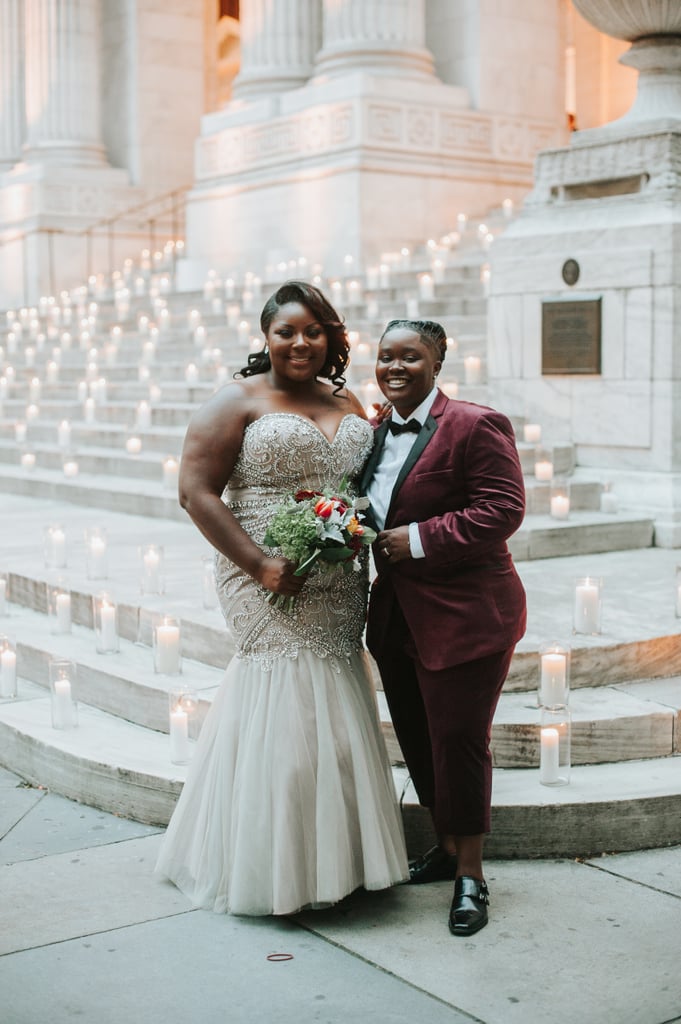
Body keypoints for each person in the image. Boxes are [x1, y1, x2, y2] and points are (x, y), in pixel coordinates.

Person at [155, 281, 408, 915]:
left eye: (313, 331)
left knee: (335, 701)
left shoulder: (345, 397)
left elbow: (361, 482)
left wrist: (353, 534)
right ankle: (276, 870)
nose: (300, 342)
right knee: (284, 704)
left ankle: (339, 861)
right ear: (265, 337)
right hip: (260, 574)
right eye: (286, 332)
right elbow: (196, 493)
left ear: (332, 339)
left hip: (338, 575)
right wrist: (261, 564)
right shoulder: (235, 400)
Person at [361, 318, 526, 936]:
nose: (395, 367)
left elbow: (503, 508)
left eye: (410, 356)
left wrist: (421, 540)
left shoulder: (474, 424)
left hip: (468, 616)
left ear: (437, 364)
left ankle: (472, 875)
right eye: (386, 357)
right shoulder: (373, 431)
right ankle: (445, 848)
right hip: (398, 617)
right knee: (418, 738)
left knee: (459, 740)